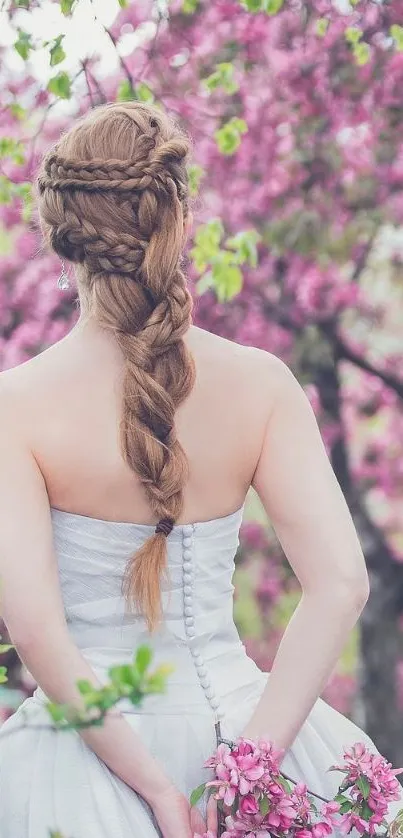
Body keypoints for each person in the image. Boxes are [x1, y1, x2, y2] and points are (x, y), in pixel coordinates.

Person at [0, 101, 400, 838]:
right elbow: (341, 584)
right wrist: (257, 761)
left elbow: (33, 628)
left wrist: (154, 791)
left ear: (63, 237)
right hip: (242, 728)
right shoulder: (262, 383)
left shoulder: (15, 406)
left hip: (77, 769)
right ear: (178, 220)